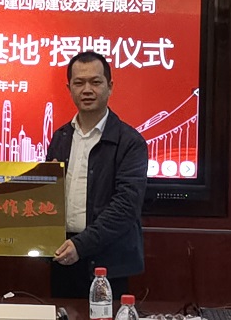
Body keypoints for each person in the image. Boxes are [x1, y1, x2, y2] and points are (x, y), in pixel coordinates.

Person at [46, 51, 148, 299]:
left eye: (95, 82)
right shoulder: (60, 137)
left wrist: (81, 245)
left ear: (110, 86)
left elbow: (126, 207)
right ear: (69, 88)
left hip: (108, 262)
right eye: (79, 83)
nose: (87, 90)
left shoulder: (130, 142)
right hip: (63, 256)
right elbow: (48, 197)